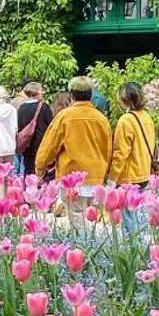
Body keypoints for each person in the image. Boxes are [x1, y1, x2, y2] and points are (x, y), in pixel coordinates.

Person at [36, 76, 111, 220]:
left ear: (72, 95)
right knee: (91, 223)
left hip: (71, 178)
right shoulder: (101, 119)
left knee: (76, 223)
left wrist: (40, 168)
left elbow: (48, 147)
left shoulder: (64, 117)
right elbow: (107, 150)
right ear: (91, 94)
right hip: (95, 178)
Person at [108, 82, 156, 234]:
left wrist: (112, 178)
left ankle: (133, 251)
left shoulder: (126, 120)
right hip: (143, 172)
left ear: (123, 99)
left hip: (129, 176)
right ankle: (141, 248)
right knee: (138, 216)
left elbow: (121, 153)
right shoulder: (147, 117)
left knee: (129, 220)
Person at [16, 82, 53, 176]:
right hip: (41, 145)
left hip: (27, 145)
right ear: (35, 92)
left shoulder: (22, 108)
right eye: (41, 90)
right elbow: (51, 126)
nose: (43, 92)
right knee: (41, 173)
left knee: (28, 171)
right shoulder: (44, 107)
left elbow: (19, 126)